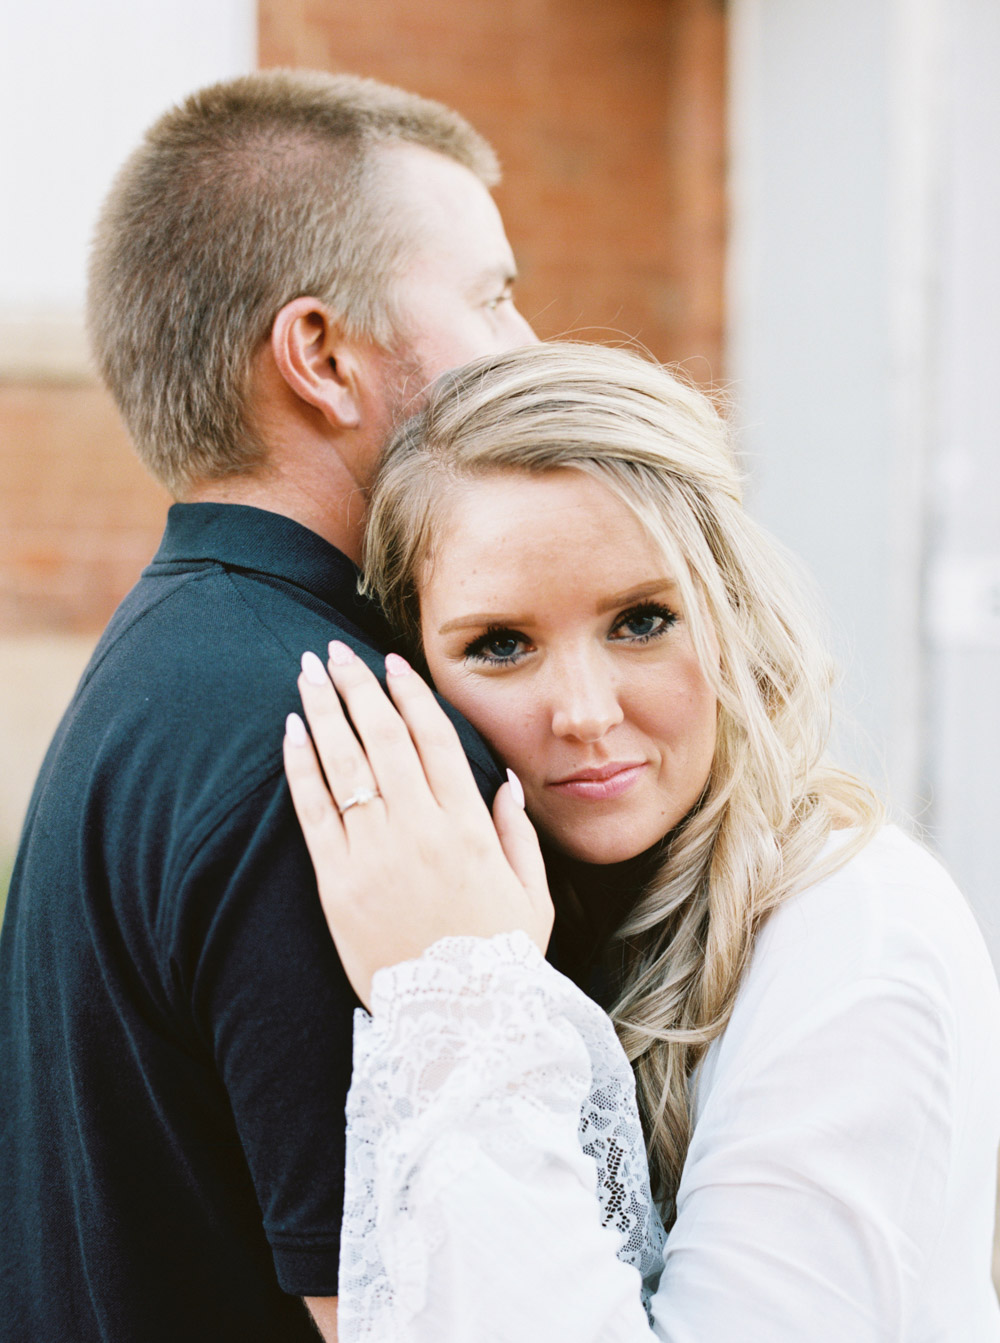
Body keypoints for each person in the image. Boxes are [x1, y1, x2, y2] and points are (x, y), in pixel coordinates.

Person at [283, 342, 1000, 1341]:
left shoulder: (854, 943)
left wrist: (462, 998)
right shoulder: (560, 903)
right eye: (500, 643)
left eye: (642, 620)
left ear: (729, 612)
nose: (582, 711)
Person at [0, 70, 535, 1342]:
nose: (530, 347)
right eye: (493, 296)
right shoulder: (352, 749)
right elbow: (426, 1312)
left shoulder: (164, 664)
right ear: (323, 356)